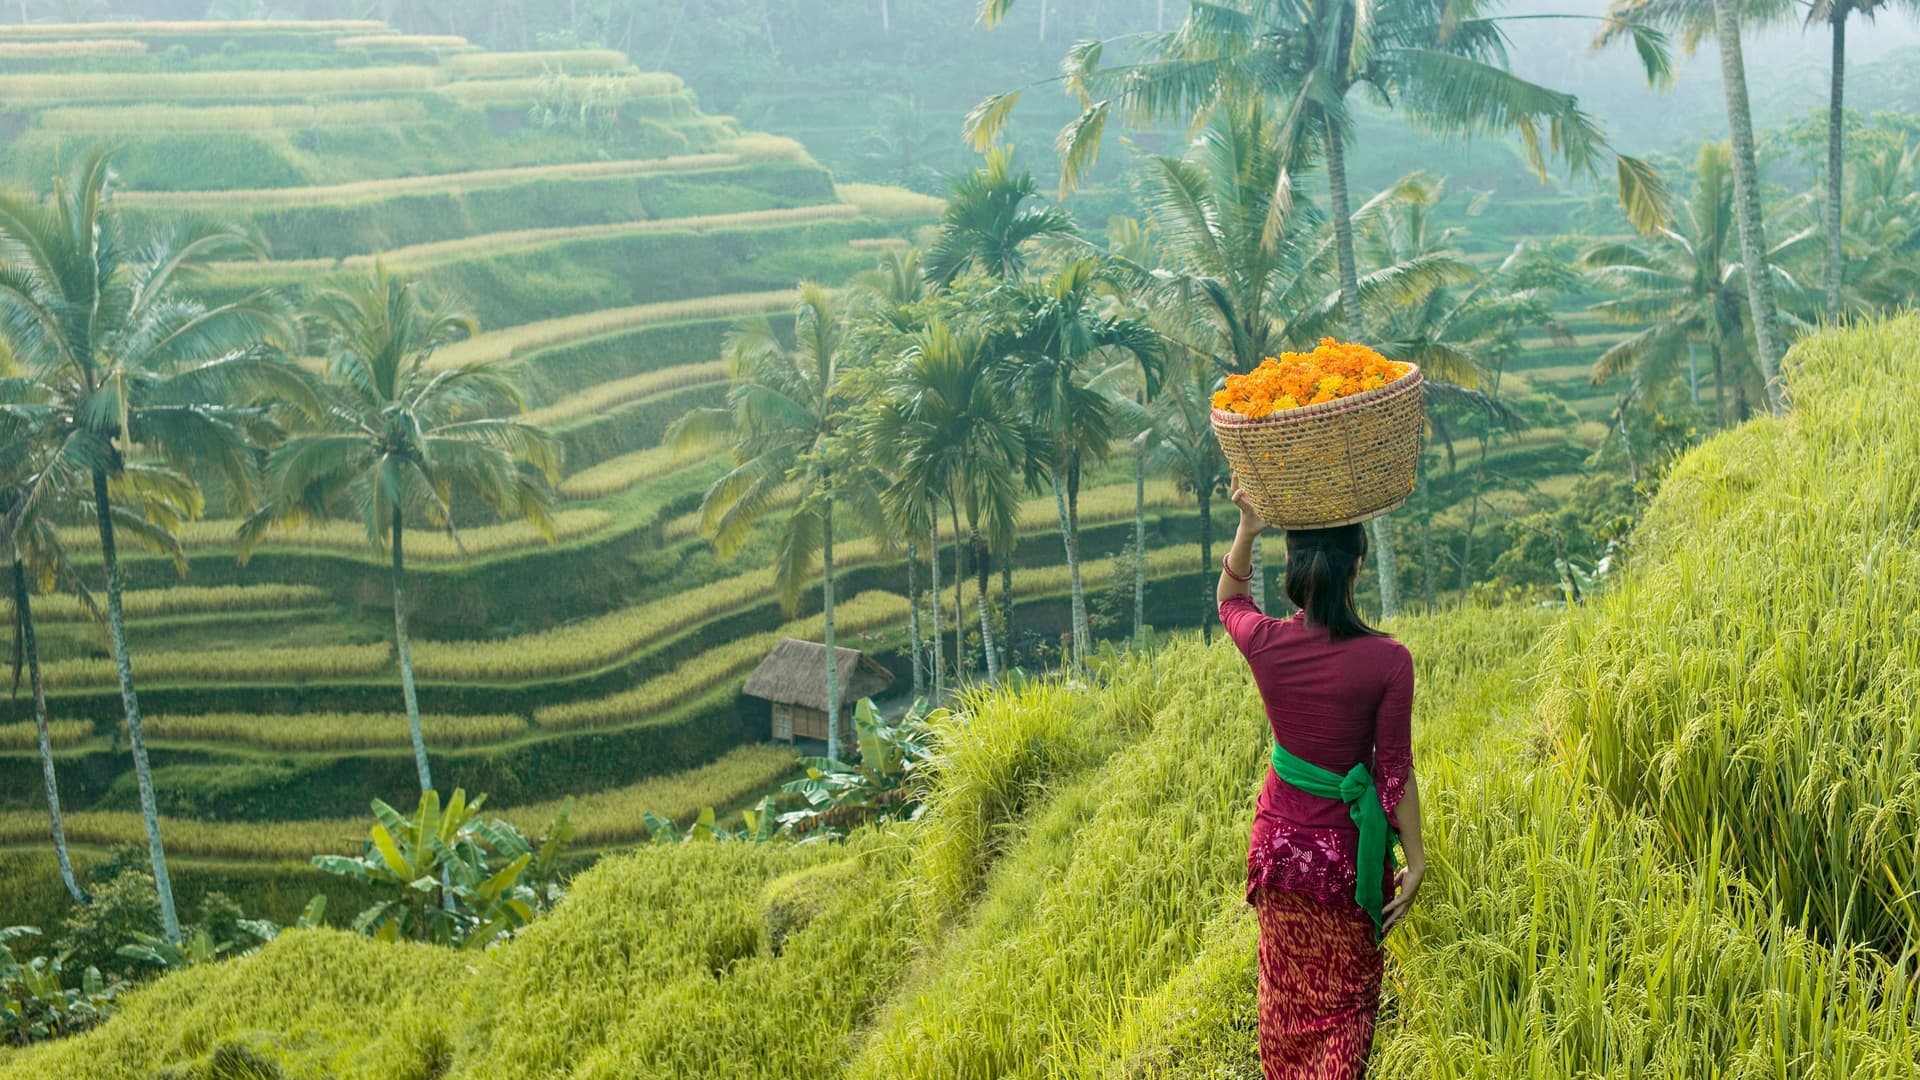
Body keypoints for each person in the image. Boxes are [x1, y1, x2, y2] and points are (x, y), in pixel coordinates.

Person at [1217, 478, 1425, 1079]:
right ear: (1357, 566)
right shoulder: (1389, 662)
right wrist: (1415, 859)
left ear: (1293, 569)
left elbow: (1230, 602)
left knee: (1285, 1002)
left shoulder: (1267, 643)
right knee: (1346, 1009)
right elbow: (1392, 774)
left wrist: (1248, 528)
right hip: (1340, 867)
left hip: (1278, 854)